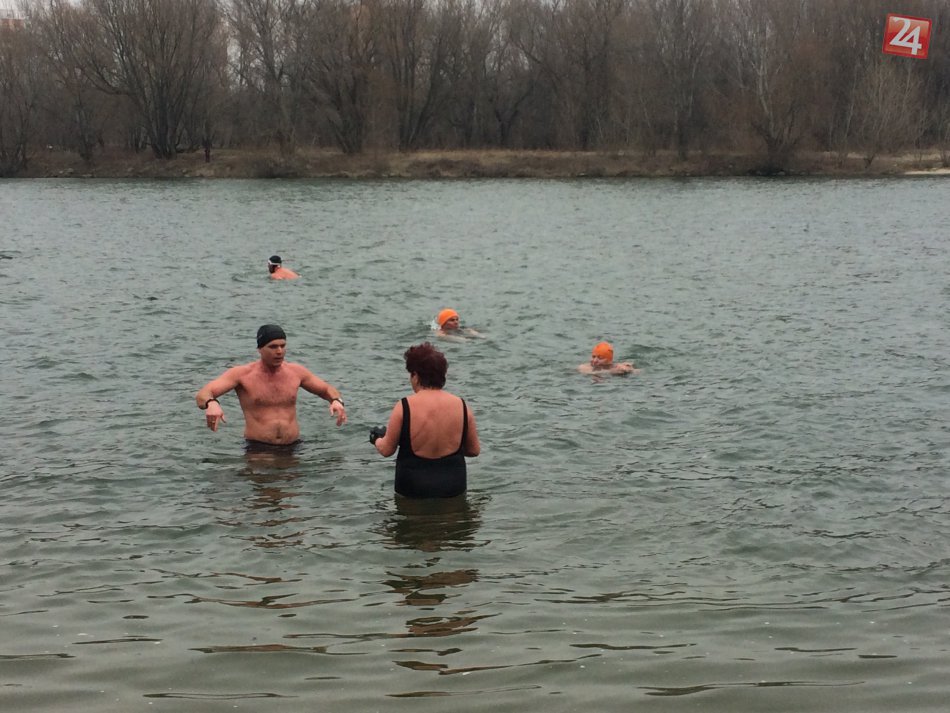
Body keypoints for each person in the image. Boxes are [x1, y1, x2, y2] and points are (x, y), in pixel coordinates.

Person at [195, 324, 346, 451]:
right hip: (258, 448)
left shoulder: (296, 372)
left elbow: (327, 389)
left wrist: (336, 400)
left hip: (293, 446)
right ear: (260, 349)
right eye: (273, 347)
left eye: (282, 346)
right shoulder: (242, 374)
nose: (279, 351)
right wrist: (211, 403)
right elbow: (202, 395)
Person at [370, 342, 480, 498]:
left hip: (412, 490)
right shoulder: (462, 406)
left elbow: (387, 450)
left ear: (415, 376)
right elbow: (473, 450)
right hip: (453, 489)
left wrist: (376, 438)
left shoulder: (404, 406)